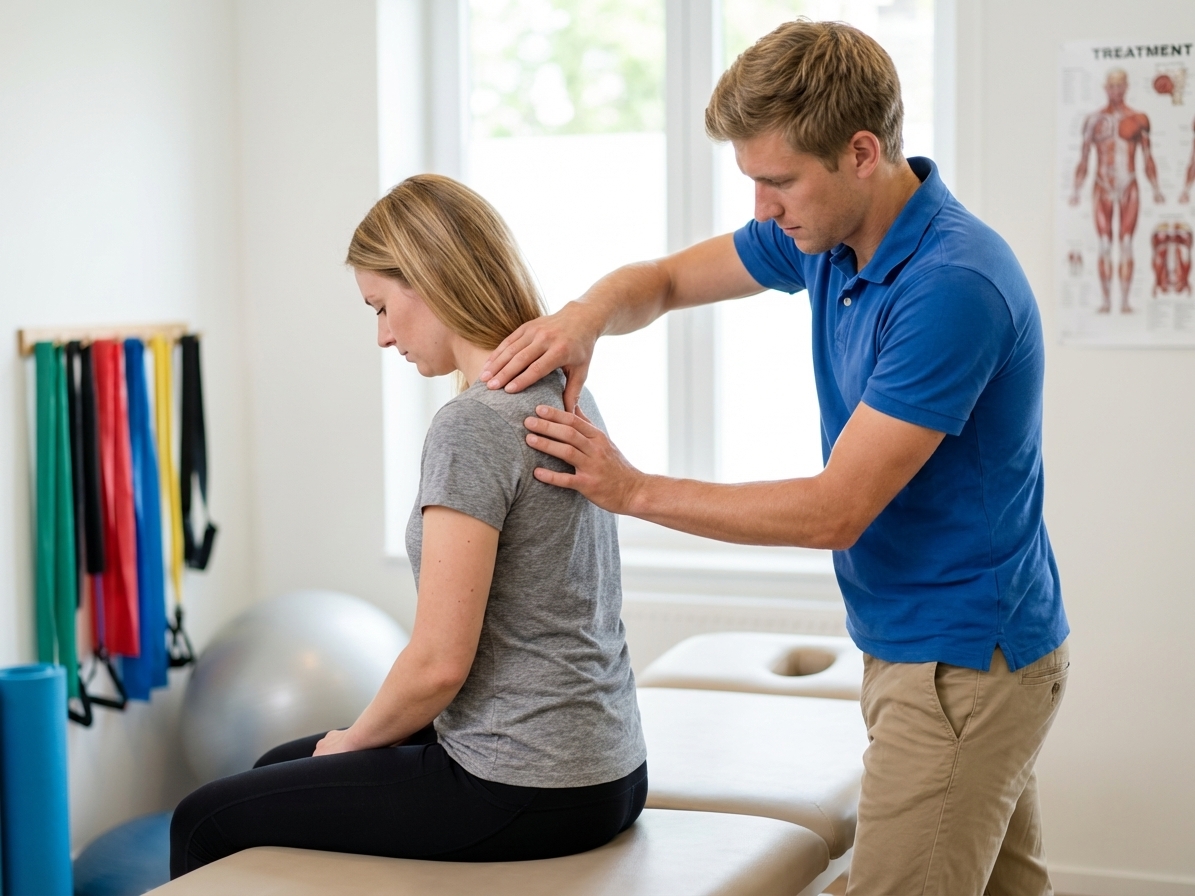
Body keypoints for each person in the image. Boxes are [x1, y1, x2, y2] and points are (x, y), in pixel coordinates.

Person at [479, 20, 1069, 896]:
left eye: (779, 181)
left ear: (861, 153)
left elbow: (835, 510)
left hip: (960, 662)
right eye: (753, 180)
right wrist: (582, 317)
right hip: (930, 646)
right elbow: (666, 281)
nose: (762, 208)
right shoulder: (829, 237)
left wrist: (630, 489)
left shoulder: (950, 285)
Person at [169, 174, 647, 877]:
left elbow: (438, 665)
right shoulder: (566, 389)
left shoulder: (473, 424)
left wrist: (349, 742)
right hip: (608, 769)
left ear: (430, 280)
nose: (383, 336)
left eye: (382, 307)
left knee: (203, 820)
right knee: (277, 767)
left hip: (521, 783)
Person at [1069, 68, 1165, 313]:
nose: (1116, 90)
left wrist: (1156, 188)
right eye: (1111, 86)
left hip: (1128, 184)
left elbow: (1148, 157)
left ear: (1126, 87)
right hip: (1102, 185)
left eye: (1120, 85)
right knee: (1103, 243)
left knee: (1126, 243)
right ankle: (1105, 301)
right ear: (1105, 88)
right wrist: (1076, 189)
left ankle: (1123, 301)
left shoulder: (1138, 119)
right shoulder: (1093, 120)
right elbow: (1084, 158)